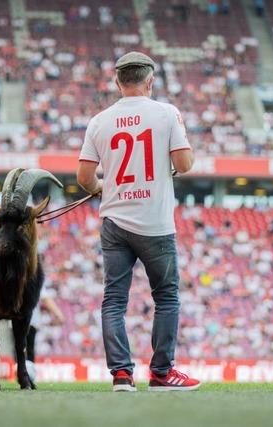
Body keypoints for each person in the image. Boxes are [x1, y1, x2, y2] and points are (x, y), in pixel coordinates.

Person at [77, 51, 200, 392]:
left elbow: (84, 177)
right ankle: (161, 374)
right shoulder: (166, 113)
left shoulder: (99, 120)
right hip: (156, 223)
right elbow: (185, 164)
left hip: (115, 221)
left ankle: (121, 375)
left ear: (117, 81)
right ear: (150, 81)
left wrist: (103, 187)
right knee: (167, 297)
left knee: (114, 299)